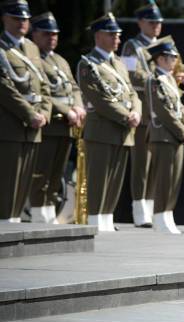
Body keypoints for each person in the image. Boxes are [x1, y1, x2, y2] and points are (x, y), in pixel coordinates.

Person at [77, 12, 141, 232]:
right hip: (102, 129)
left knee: (114, 179)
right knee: (99, 178)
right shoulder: (88, 64)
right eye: (111, 34)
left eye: (118, 34)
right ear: (98, 36)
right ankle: (95, 220)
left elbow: (132, 93)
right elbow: (99, 100)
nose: (117, 38)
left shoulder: (119, 64)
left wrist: (136, 112)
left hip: (122, 131)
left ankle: (107, 218)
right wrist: (126, 115)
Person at [28, 11, 86, 224]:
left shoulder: (60, 60)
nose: (52, 37)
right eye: (46, 34)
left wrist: (79, 107)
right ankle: (37, 211)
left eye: (54, 34)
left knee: (57, 173)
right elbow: (43, 94)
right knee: (41, 172)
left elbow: (73, 87)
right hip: (50, 124)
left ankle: (49, 210)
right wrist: (66, 109)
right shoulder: (33, 59)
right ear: (35, 35)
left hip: (66, 126)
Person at [0, 0, 52, 223]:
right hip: (10, 125)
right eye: (16, 18)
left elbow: (44, 85)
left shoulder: (31, 48)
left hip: (35, 125)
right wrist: (29, 114)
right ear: (4, 18)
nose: (22, 23)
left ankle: (15, 223)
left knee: (24, 182)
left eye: (25, 19)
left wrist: (45, 114)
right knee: (8, 182)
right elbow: (4, 86)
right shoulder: (2, 46)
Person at [145, 36, 184, 234]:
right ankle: (159, 217)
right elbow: (163, 111)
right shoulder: (155, 80)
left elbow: (180, 108)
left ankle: (167, 215)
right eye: (170, 57)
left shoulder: (169, 80)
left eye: (174, 57)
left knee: (174, 180)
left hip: (174, 136)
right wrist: (183, 131)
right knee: (164, 180)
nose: (174, 60)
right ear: (159, 59)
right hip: (162, 135)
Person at [121, 1, 163, 228]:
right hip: (145, 110)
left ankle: (152, 207)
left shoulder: (166, 45)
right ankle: (139, 210)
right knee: (141, 163)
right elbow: (129, 73)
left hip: (163, 113)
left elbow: (179, 68)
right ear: (140, 23)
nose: (156, 26)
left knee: (157, 162)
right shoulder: (131, 46)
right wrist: (157, 78)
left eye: (158, 22)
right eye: (151, 22)